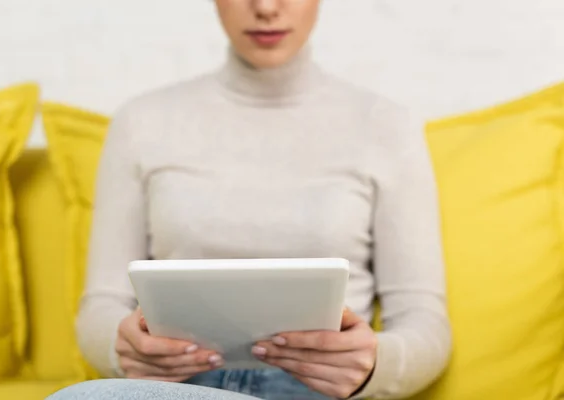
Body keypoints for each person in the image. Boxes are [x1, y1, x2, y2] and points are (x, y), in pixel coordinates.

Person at [49, 0, 451, 399]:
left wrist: (371, 365)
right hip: (173, 388)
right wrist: (123, 351)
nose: (265, 8)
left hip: (317, 390)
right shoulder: (141, 122)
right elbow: (102, 305)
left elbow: (423, 321)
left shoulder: (387, 126)